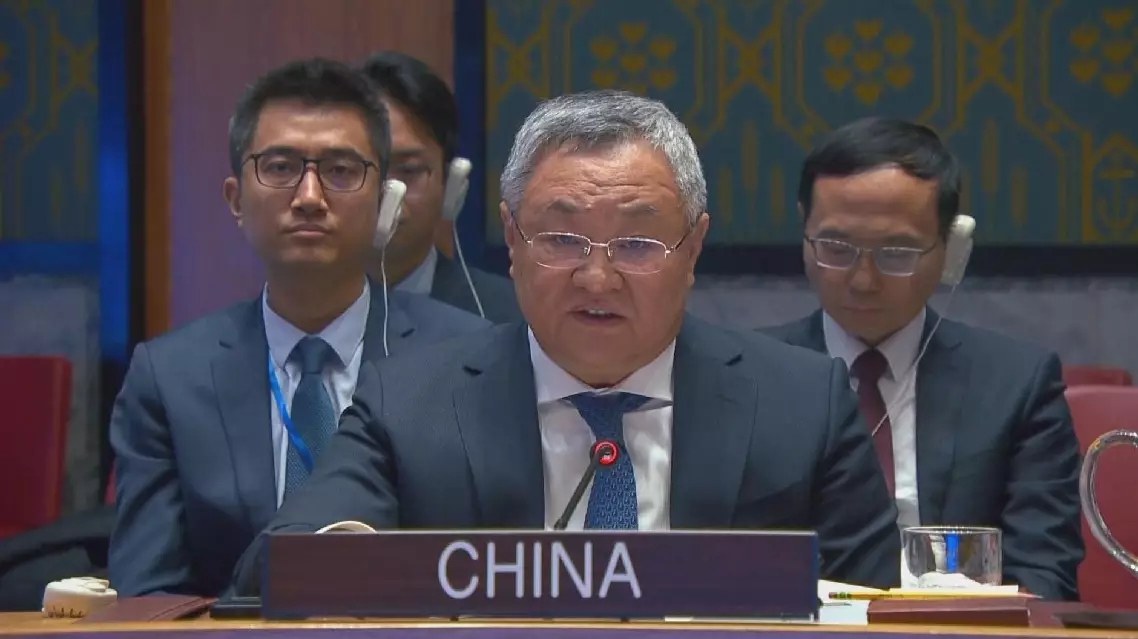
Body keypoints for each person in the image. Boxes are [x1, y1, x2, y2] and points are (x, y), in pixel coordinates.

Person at [229, 90, 902, 595]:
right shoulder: (407, 403)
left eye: (637, 242)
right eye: (561, 238)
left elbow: (877, 610)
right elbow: (272, 569)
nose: (597, 277)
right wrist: (356, 557)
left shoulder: (802, 404)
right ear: (512, 240)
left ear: (693, 247)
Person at [108, 58, 490, 597]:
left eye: (341, 170)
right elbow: (148, 596)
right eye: (281, 167)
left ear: (384, 201)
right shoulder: (169, 378)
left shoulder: (464, 355)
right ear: (236, 200)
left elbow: (489, 568)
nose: (309, 197)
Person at [760, 117, 1082, 600]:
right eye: (836, 248)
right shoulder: (749, 377)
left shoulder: (1017, 385)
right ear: (804, 229)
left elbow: (1044, 577)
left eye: (896, 252)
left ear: (951, 249)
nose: (863, 280)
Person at [360, 51, 521, 323]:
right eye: (359, 168)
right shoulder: (294, 310)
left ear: (451, 184)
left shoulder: (511, 316)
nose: (386, 193)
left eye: (409, 170)